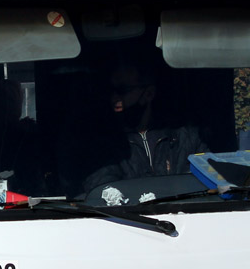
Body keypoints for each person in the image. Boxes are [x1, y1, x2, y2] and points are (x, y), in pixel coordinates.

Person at [84, 60, 208, 191]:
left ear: (149, 93)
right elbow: (102, 191)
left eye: (122, 90)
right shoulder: (104, 145)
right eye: (111, 91)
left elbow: (206, 181)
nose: (115, 99)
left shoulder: (186, 136)